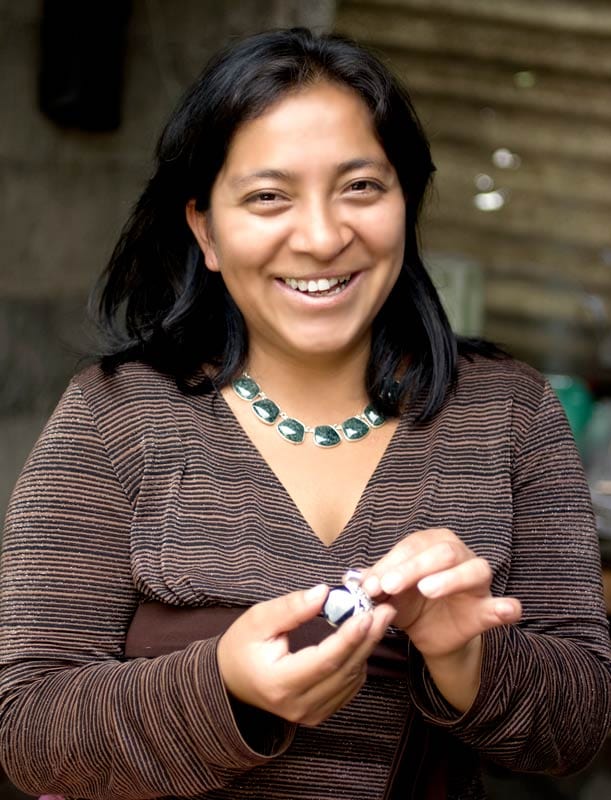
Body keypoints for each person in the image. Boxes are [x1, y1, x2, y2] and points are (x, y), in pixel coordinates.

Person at [0, 26, 609, 800]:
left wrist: (464, 658)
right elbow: (24, 729)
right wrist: (224, 689)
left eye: (361, 187)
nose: (322, 237)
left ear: (405, 201)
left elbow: (581, 724)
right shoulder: (113, 416)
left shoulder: (509, 413)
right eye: (266, 197)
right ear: (205, 230)